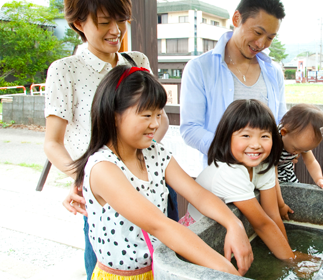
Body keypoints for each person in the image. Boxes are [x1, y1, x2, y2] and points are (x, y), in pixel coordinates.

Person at [71, 65, 252, 279]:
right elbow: (160, 225)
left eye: (159, 114)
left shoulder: (155, 152)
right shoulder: (103, 168)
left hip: (160, 270)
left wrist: (234, 223)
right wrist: (226, 271)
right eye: (147, 115)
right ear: (113, 115)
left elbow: (197, 193)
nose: (156, 124)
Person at [43, 1, 172, 278]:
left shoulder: (137, 62)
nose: (116, 30)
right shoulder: (65, 70)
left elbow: (159, 121)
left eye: (122, 20)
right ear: (79, 24)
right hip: (104, 199)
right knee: (106, 269)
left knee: (162, 262)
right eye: (104, 23)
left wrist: (142, 160)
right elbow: (53, 143)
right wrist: (84, 178)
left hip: (149, 186)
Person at [183, 99, 315, 263]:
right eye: (246, 135)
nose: (256, 145)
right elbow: (262, 224)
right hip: (196, 237)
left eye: (264, 136)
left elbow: (272, 216)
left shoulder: (264, 165)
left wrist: (289, 252)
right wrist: (293, 260)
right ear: (226, 137)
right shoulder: (228, 172)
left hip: (226, 232)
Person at [180, 0, 287, 166]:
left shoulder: (274, 71)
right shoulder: (200, 68)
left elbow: (279, 123)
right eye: (258, 32)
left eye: (270, 38)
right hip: (220, 176)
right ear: (237, 19)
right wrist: (234, 151)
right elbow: (191, 129)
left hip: (265, 174)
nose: (261, 44)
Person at [275, 104, 323, 220]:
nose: (298, 153)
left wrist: (319, 179)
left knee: (296, 193)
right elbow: (271, 178)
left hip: (287, 171)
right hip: (269, 173)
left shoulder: (298, 141)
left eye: (303, 150)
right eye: (296, 149)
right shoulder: (273, 141)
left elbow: (311, 162)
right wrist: (280, 204)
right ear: (284, 132)